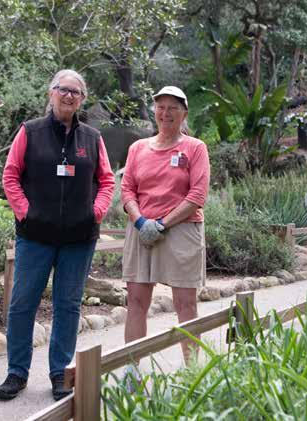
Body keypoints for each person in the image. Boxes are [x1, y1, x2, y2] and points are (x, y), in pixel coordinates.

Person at [0, 69, 115, 401]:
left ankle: (60, 374)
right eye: (63, 89)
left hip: (79, 238)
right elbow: (10, 176)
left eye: (75, 92)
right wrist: (26, 212)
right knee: (22, 304)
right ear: (51, 93)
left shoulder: (92, 138)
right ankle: (17, 373)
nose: (68, 96)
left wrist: (95, 212)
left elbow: (107, 181)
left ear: (82, 99)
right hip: (35, 236)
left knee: (68, 305)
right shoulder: (30, 131)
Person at [121, 86, 210, 365]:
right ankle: (132, 374)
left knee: (185, 304)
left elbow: (197, 195)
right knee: (136, 302)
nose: (166, 113)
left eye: (173, 108)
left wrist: (161, 224)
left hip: (180, 229)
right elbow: (127, 189)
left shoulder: (195, 148)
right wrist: (140, 220)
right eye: (161, 107)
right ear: (154, 111)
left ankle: (192, 372)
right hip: (141, 230)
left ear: (184, 113)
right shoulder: (138, 148)